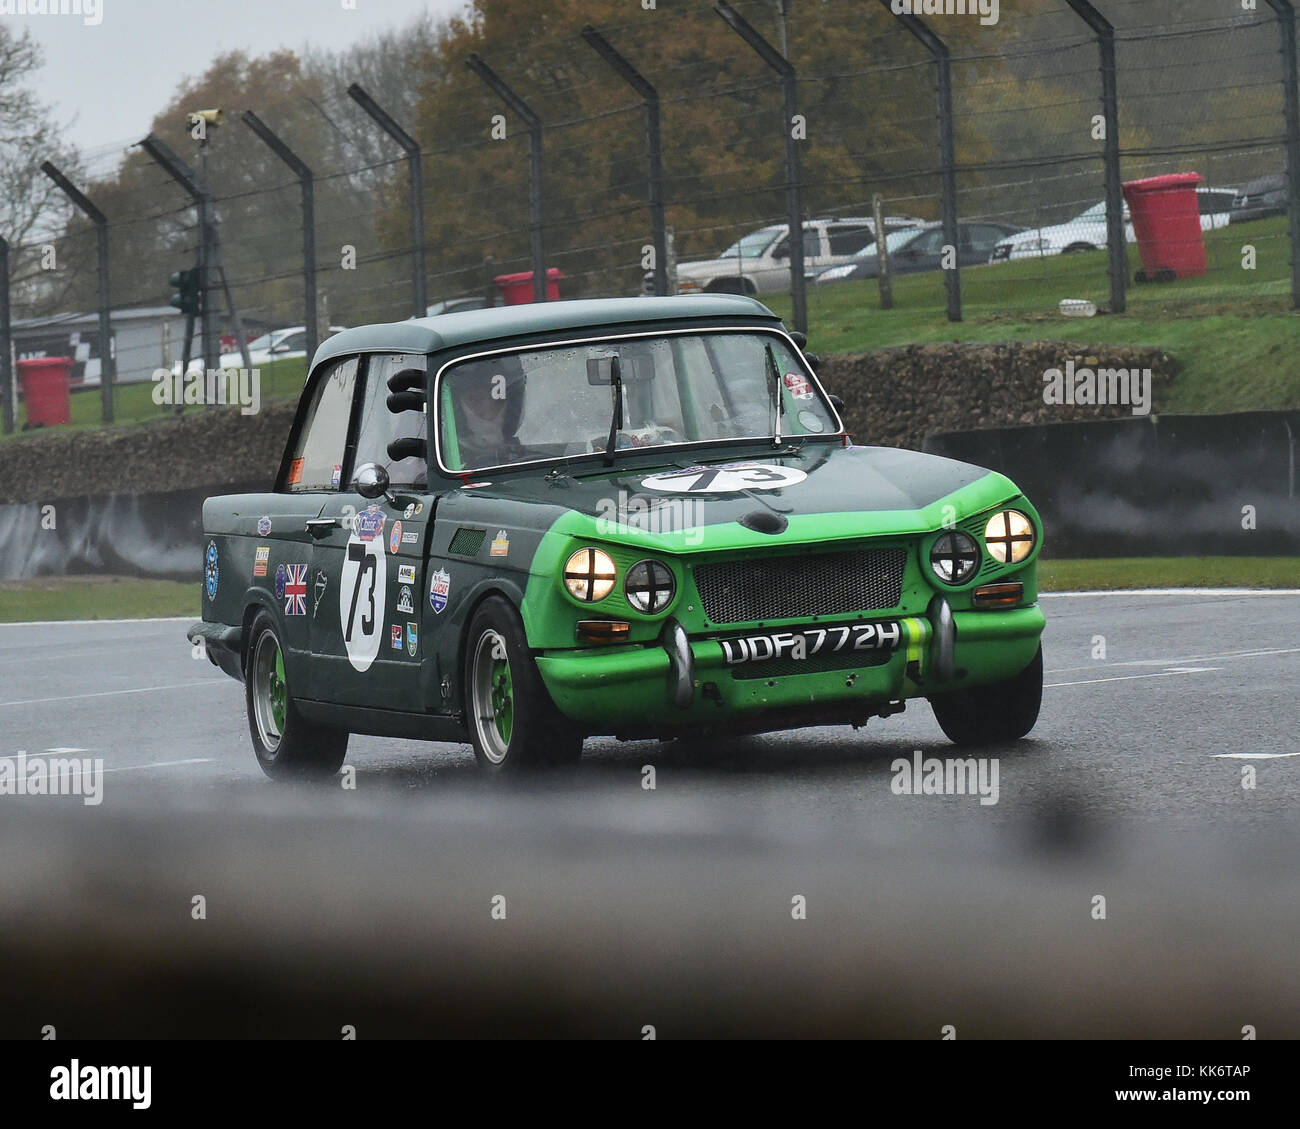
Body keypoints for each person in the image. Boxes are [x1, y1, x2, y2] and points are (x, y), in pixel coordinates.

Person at [450, 354, 526, 468]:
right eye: (475, 399)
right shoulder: (442, 467)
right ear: (457, 407)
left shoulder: (543, 464)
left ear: (513, 405)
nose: (488, 413)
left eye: (499, 398)